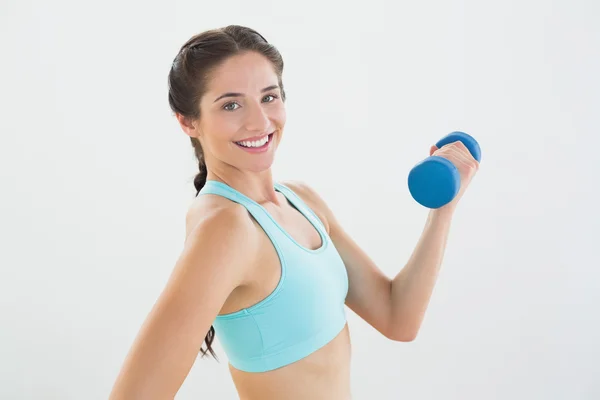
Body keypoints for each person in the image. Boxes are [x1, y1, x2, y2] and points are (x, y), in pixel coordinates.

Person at [109, 25, 480, 400]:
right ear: (188, 121)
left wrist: (443, 210)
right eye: (231, 104)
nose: (259, 122)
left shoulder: (301, 200)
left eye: (268, 97)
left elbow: (397, 317)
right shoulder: (226, 226)